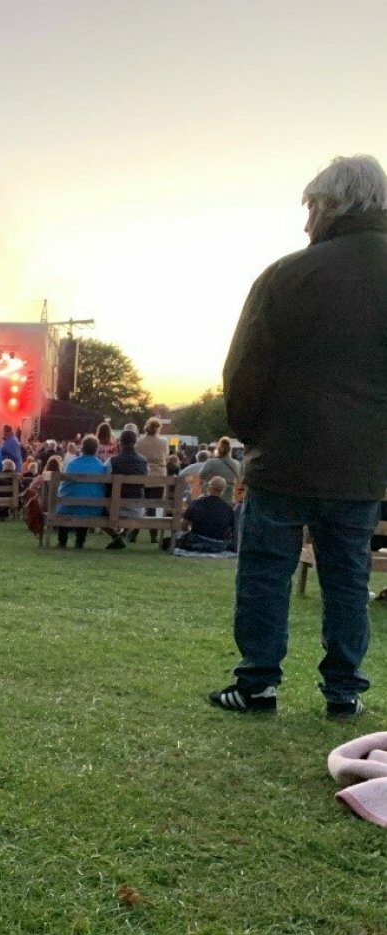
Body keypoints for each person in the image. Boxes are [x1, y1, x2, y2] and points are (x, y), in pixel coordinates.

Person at [210, 154, 387, 718]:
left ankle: (257, 683)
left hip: (283, 456)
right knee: (347, 574)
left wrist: (253, 433)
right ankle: (344, 690)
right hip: (362, 465)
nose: (305, 220)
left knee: (265, 571)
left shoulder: (286, 276)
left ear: (334, 205)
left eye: (310, 206)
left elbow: (243, 372)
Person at [56, 432, 106, 548]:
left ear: (82, 448)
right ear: (96, 449)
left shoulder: (72, 464)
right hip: (93, 509)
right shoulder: (101, 467)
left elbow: (64, 486)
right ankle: (80, 541)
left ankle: (62, 541)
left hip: (69, 507)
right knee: (86, 501)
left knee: (66, 502)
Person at [107, 427, 149, 548]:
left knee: (100, 508)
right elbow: (145, 482)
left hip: (113, 508)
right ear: (135, 442)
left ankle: (116, 536)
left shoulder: (113, 461)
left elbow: (106, 481)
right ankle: (124, 534)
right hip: (136, 509)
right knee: (142, 508)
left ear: (120, 442)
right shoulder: (143, 461)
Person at [177, 475, 235, 552]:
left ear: (209, 488)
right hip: (219, 544)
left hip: (197, 540)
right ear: (223, 490)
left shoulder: (196, 503)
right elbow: (231, 530)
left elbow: (183, 525)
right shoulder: (228, 509)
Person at [136, 416, 170, 543]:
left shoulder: (139, 442)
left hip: (144, 475)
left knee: (141, 505)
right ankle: (153, 532)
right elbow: (166, 456)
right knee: (153, 506)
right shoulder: (163, 442)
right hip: (159, 476)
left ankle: (135, 531)